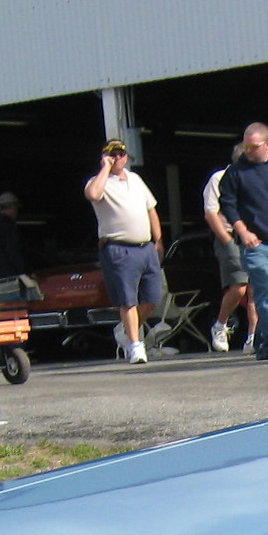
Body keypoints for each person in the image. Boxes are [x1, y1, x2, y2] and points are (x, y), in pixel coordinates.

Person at [218, 122, 268, 362]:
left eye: (253, 146)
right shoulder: (235, 173)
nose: (248, 151)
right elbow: (228, 205)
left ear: (267, 144)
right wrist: (243, 232)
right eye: (246, 146)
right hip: (254, 245)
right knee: (263, 291)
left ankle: (263, 346)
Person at [84, 138, 166, 365]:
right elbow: (93, 195)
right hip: (119, 248)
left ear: (126, 156)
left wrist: (158, 240)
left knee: (152, 298)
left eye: (120, 154)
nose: (117, 158)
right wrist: (105, 168)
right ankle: (135, 345)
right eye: (112, 154)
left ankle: (125, 330)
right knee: (128, 300)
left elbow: (151, 209)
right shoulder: (98, 182)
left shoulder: (136, 179)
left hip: (145, 247)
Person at [202, 146, 256, 353]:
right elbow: (211, 212)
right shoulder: (219, 179)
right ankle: (220, 325)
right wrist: (225, 239)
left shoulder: (255, 180)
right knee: (239, 286)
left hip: (254, 236)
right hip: (230, 235)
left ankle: (253, 337)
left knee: (256, 289)